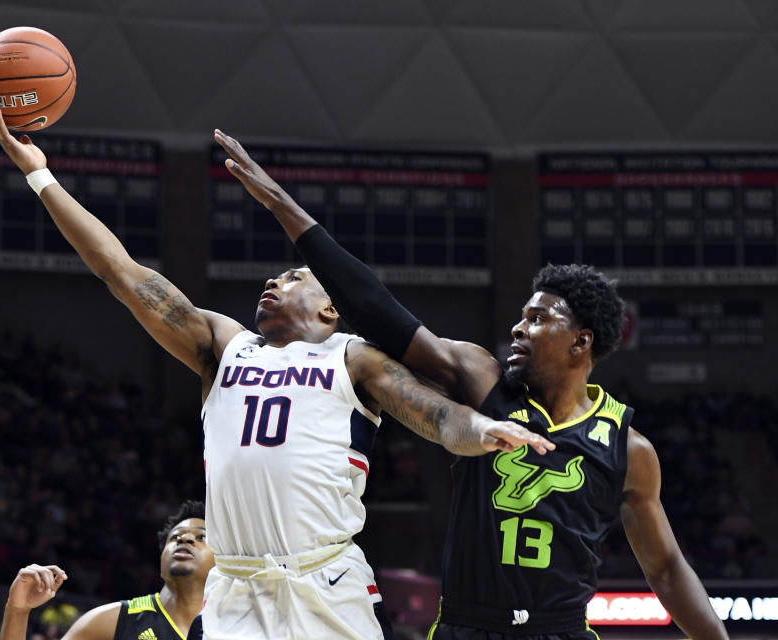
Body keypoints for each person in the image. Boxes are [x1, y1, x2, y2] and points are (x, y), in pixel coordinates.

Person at [0, 105, 553, 640]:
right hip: (234, 589)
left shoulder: (353, 357)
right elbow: (122, 273)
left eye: (293, 276)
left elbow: (439, 415)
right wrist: (41, 177)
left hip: (325, 583)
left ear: (331, 308)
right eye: (275, 277)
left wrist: (483, 432)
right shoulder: (223, 346)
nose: (274, 282)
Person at [215, 129, 729, 640]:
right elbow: (379, 311)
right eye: (521, 317)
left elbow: (665, 570)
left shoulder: (627, 447)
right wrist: (283, 205)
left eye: (537, 319)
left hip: (559, 630)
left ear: (581, 342)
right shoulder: (481, 378)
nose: (518, 328)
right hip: (467, 627)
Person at [0, 500, 213, 640]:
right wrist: (17, 611)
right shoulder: (110, 621)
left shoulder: (237, 626)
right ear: (162, 557)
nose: (184, 538)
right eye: (174, 537)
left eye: (201, 537)